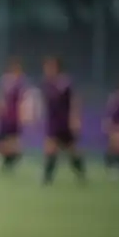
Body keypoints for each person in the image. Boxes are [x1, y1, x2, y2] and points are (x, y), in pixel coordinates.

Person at [40, 56, 85, 185]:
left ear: (56, 68)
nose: (47, 70)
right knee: (50, 148)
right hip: (53, 122)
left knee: (72, 150)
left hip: (65, 122)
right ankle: (47, 179)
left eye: (50, 67)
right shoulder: (46, 83)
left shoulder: (65, 83)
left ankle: (81, 174)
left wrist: (74, 118)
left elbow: (75, 101)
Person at [0, 59, 27, 172]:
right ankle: (10, 160)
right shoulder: (5, 83)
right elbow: (1, 100)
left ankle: (11, 160)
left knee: (11, 141)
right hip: (5, 117)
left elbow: (25, 101)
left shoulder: (21, 85)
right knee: (1, 143)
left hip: (14, 117)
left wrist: (24, 115)